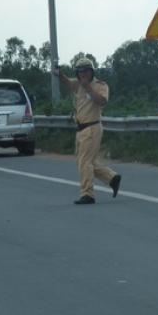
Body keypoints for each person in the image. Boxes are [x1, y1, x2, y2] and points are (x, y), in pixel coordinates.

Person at [53, 57, 121, 205]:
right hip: (81, 129)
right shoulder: (77, 85)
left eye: (85, 71)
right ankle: (111, 178)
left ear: (91, 72)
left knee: (85, 161)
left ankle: (87, 194)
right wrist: (60, 75)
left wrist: (88, 87)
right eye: (79, 71)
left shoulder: (100, 85)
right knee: (84, 161)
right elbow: (66, 82)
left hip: (92, 127)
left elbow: (103, 101)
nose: (82, 74)